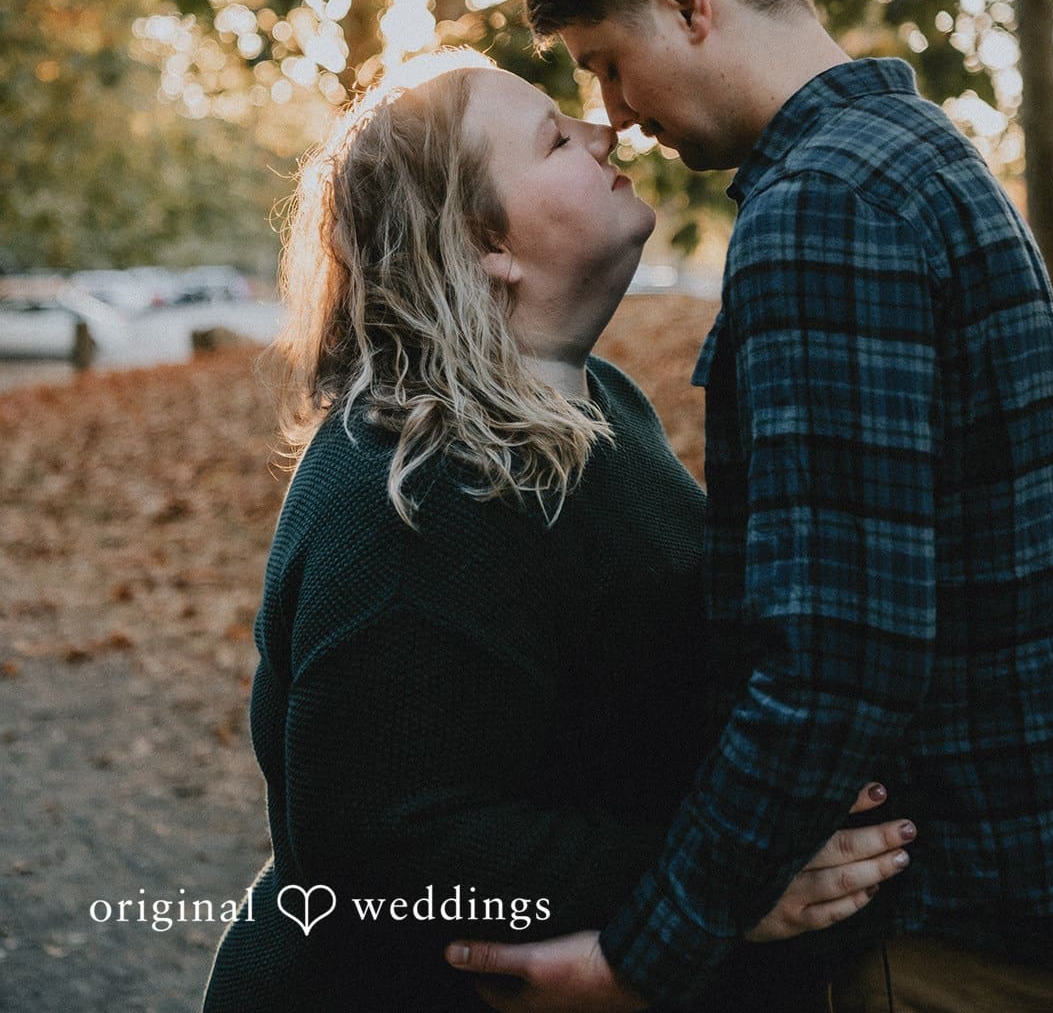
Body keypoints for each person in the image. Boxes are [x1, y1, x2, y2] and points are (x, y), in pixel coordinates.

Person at [445, 0, 1053, 1013]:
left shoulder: (822, 206)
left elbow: (835, 657)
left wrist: (646, 955)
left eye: (607, 65)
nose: (613, 115)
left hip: (938, 933)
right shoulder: (923, 157)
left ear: (686, 1)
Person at [201, 51, 912, 1013]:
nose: (602, 129)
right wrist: (717, 886)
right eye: (553, 136)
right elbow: (379, 851)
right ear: (487, 240)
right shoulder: (416, 484)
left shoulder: (596, 405)